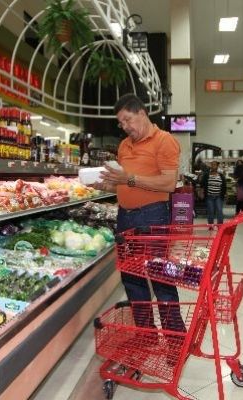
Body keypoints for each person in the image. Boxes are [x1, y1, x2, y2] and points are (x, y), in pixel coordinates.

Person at [97, 93, 185, 332]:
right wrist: (105, 185)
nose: (125, 126)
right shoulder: (124, 146)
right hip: (125, 216)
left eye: (127, 120)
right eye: (121, 123)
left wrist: (130, 179)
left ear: (142, 113)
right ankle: (147, 334)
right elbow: (124, 181)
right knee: (132, 278)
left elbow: (168, 183)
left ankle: (174, 337)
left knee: (160, 278)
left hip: (153, 216)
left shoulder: (164, 140)